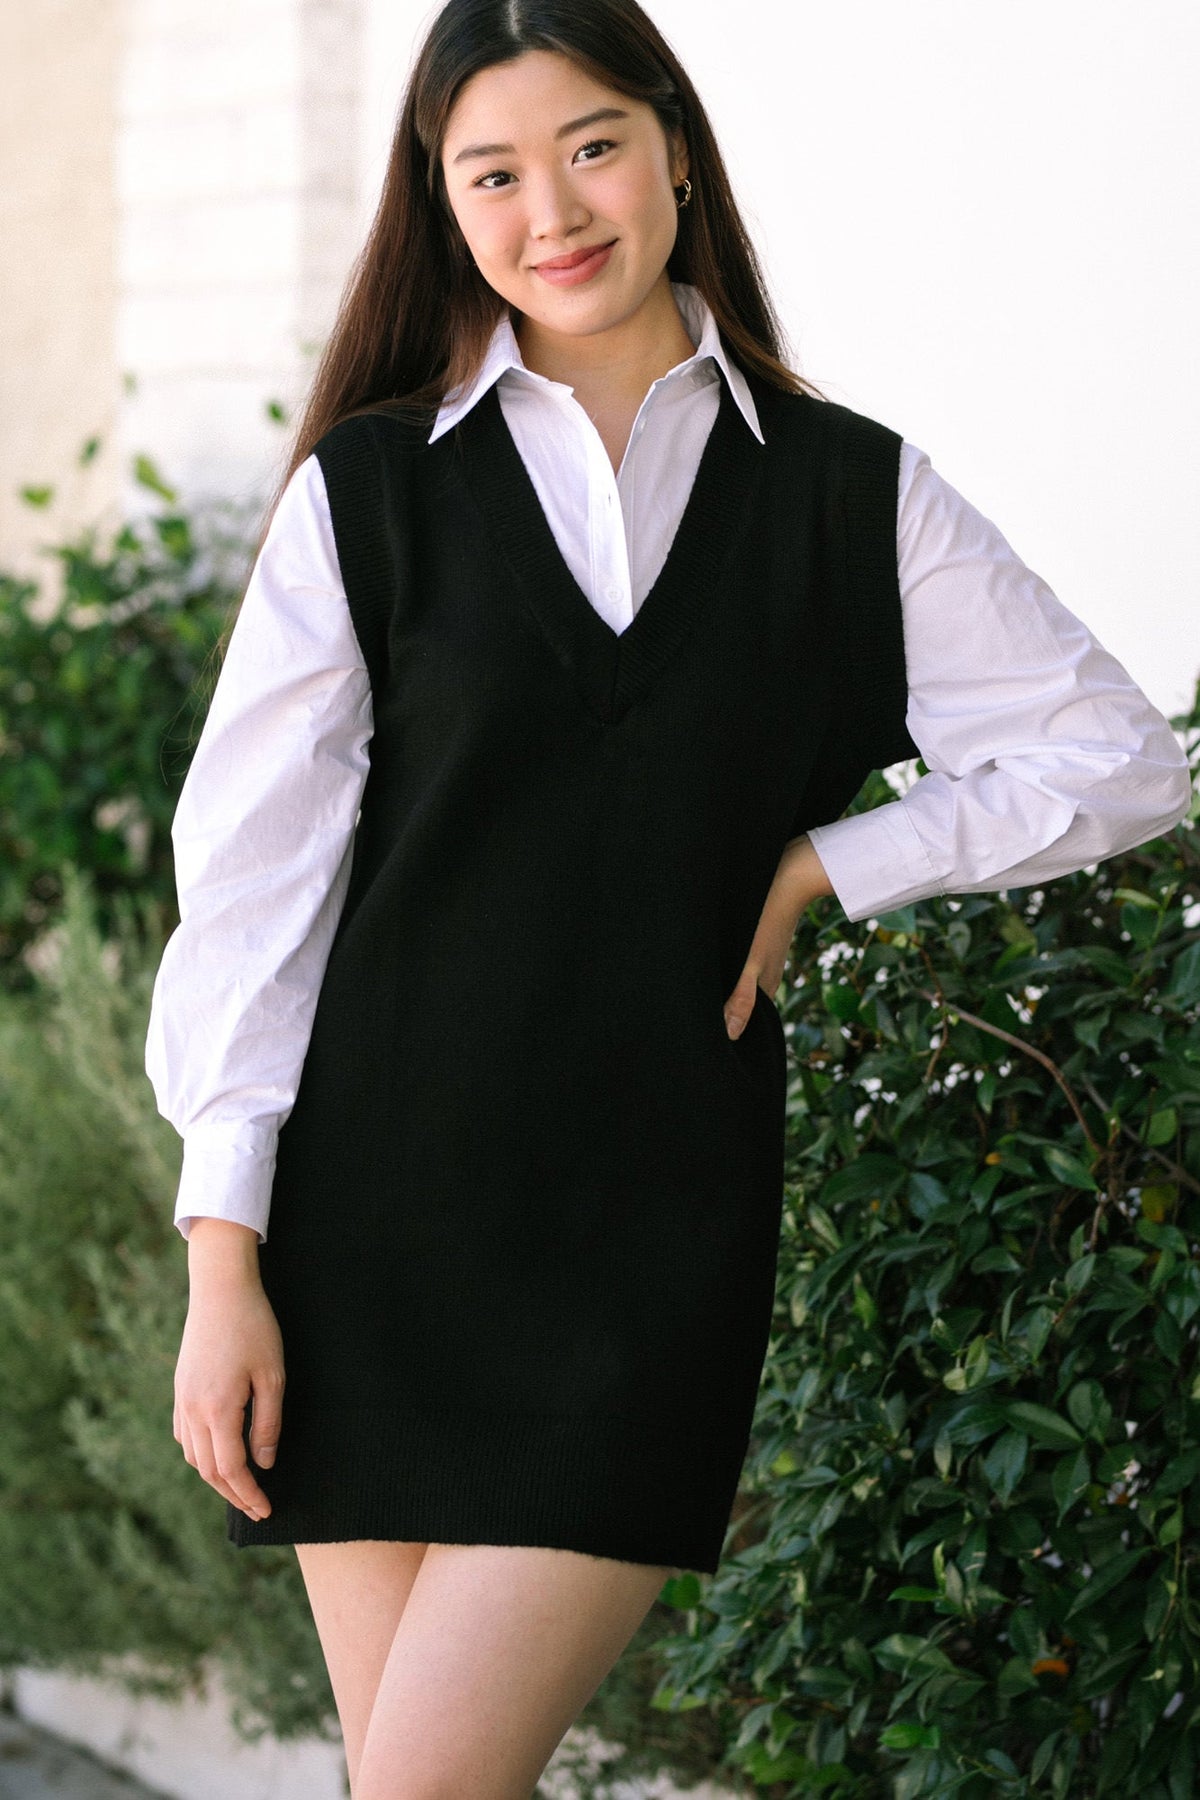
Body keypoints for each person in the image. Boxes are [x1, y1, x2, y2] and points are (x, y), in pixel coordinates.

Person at [144, 1, 1193, 1794]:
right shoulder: (373, 492)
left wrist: (825, 863)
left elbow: (1116, 757)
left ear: (677, 152)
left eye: (593, 148)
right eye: (494, 173)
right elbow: (255, 889)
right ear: (442, 204)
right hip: (365, 1236)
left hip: (643, 1248)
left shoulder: (848, 494)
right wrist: (221, 1261)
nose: (552, 210)